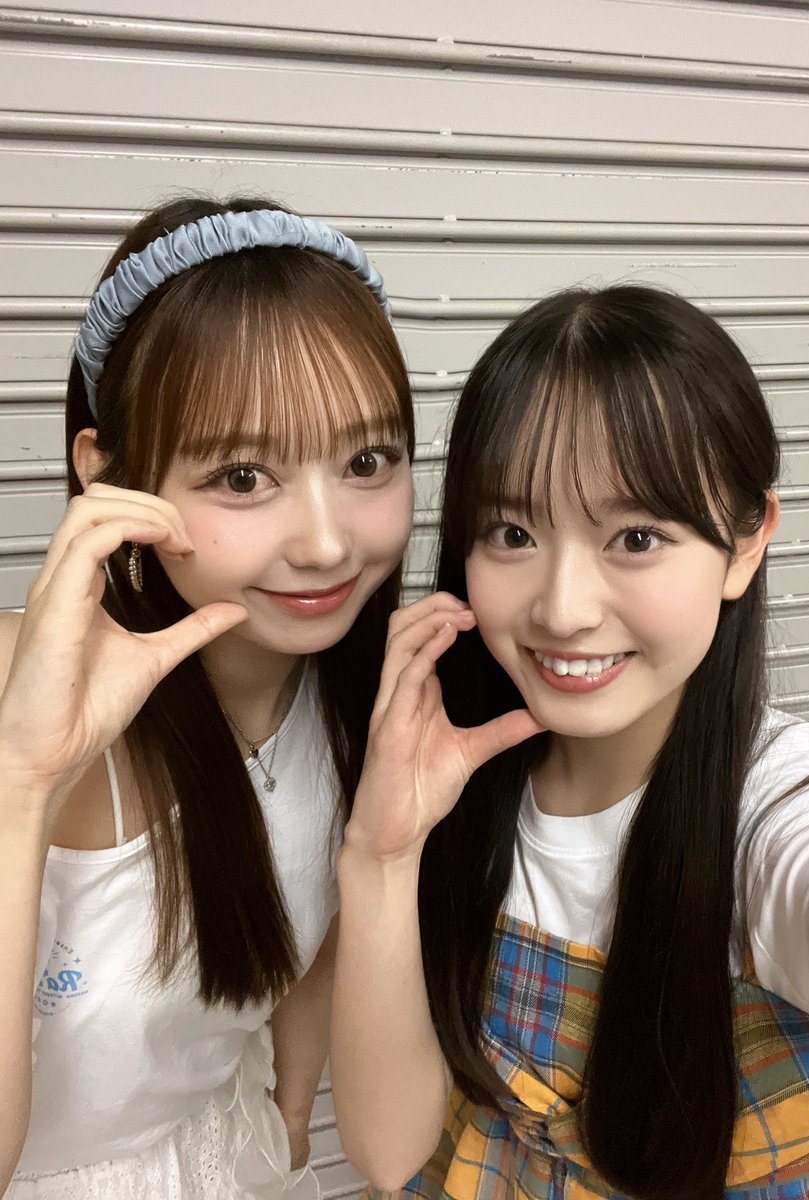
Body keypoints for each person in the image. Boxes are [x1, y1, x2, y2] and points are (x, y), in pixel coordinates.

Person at [332, 286, 809, 1199]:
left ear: (746, 544)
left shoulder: (794, 821)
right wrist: (383, 853)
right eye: (512, 532)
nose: (562, 610)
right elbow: (389, 1153)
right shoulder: (455, 784)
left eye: (635, 537)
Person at [0, 196, 414, 1198]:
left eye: (366, 461)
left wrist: (289, 1120)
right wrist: (24, 783)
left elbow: (310, 928)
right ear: (109, 479)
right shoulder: (16, 696)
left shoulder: (352, 690)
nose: (327, 543)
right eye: (241, 476)